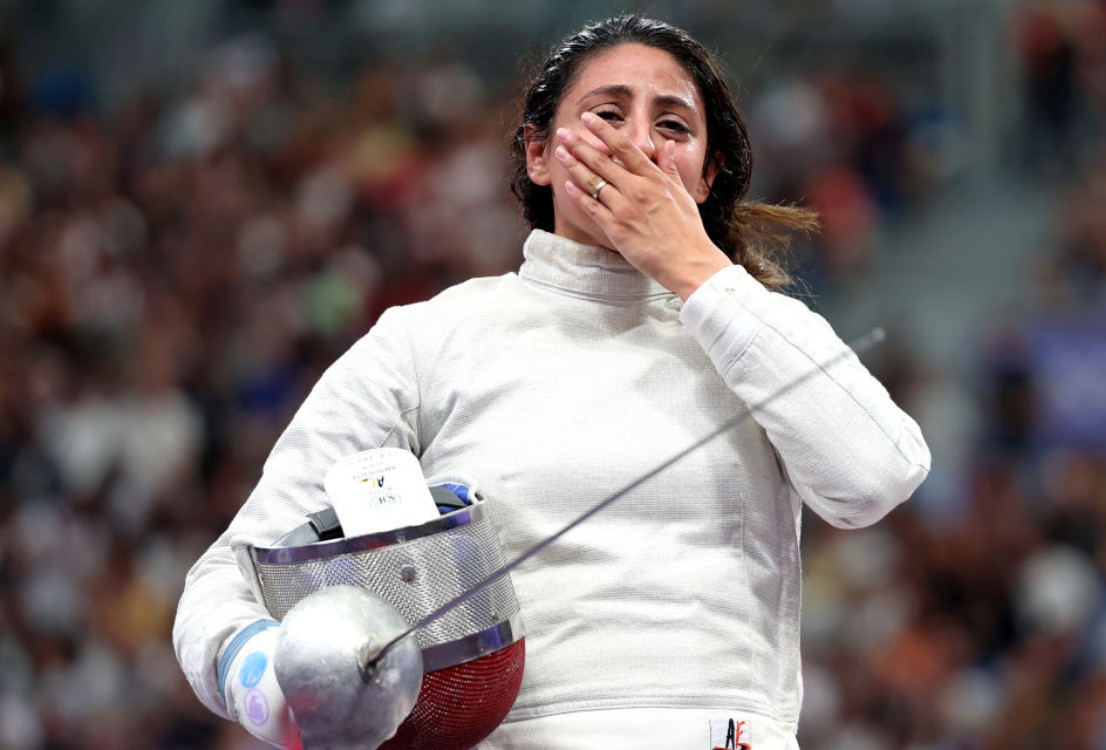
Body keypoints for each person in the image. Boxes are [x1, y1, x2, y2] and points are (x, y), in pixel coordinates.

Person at [173, 14, 931, 749]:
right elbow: (226, 585)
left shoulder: (754, 333)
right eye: (607, 114)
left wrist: (696, 271)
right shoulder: (431, 342)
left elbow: (875, 478)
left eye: (673, 127)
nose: (639, 142)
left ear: (706, 177)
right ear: (539, 154)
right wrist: (290, 693)